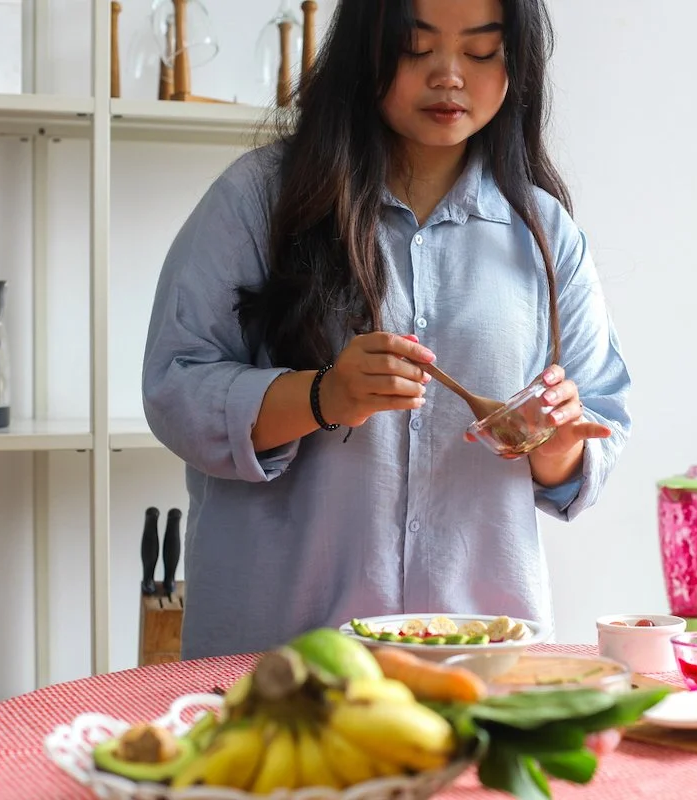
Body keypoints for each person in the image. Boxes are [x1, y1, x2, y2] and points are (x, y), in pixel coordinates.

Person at [142, 0, 631, 658]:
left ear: (515, 66)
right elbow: (175, 388)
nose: (449, 75)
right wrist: (322, 396)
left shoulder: (544, 234)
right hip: (285, 658)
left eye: (481, 51)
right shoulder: (258, 200)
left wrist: (555, 445)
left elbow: (596, 419)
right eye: (415, 46)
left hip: (476, 661)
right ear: (364, 51)